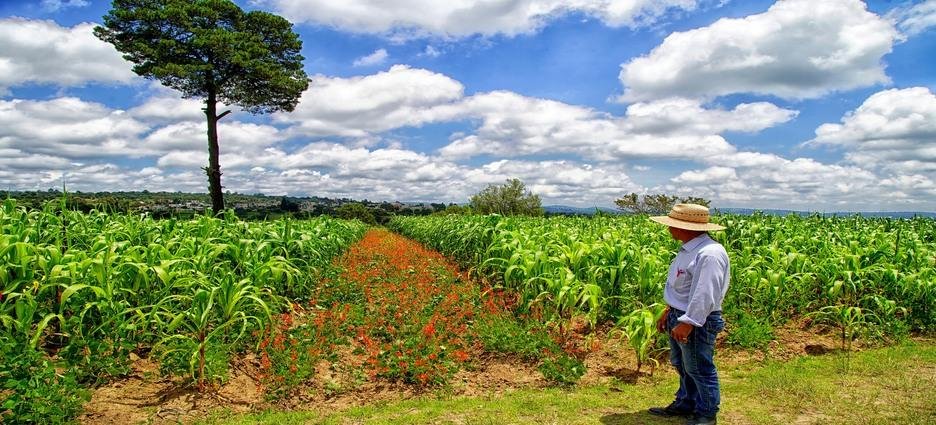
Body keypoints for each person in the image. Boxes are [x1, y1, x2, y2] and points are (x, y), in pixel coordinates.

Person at [647, 203, 729, 425]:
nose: (669, 229)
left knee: (699, 368)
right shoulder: (688, 250)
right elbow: (684, 288)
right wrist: (669, 310)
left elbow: (705, 293)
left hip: (696, 320)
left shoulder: (709, 253)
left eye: (673, 225)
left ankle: (706, 414)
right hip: (679, 315)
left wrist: (689, 321)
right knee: (683, 365)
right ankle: (686, 402)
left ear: (686, 227)